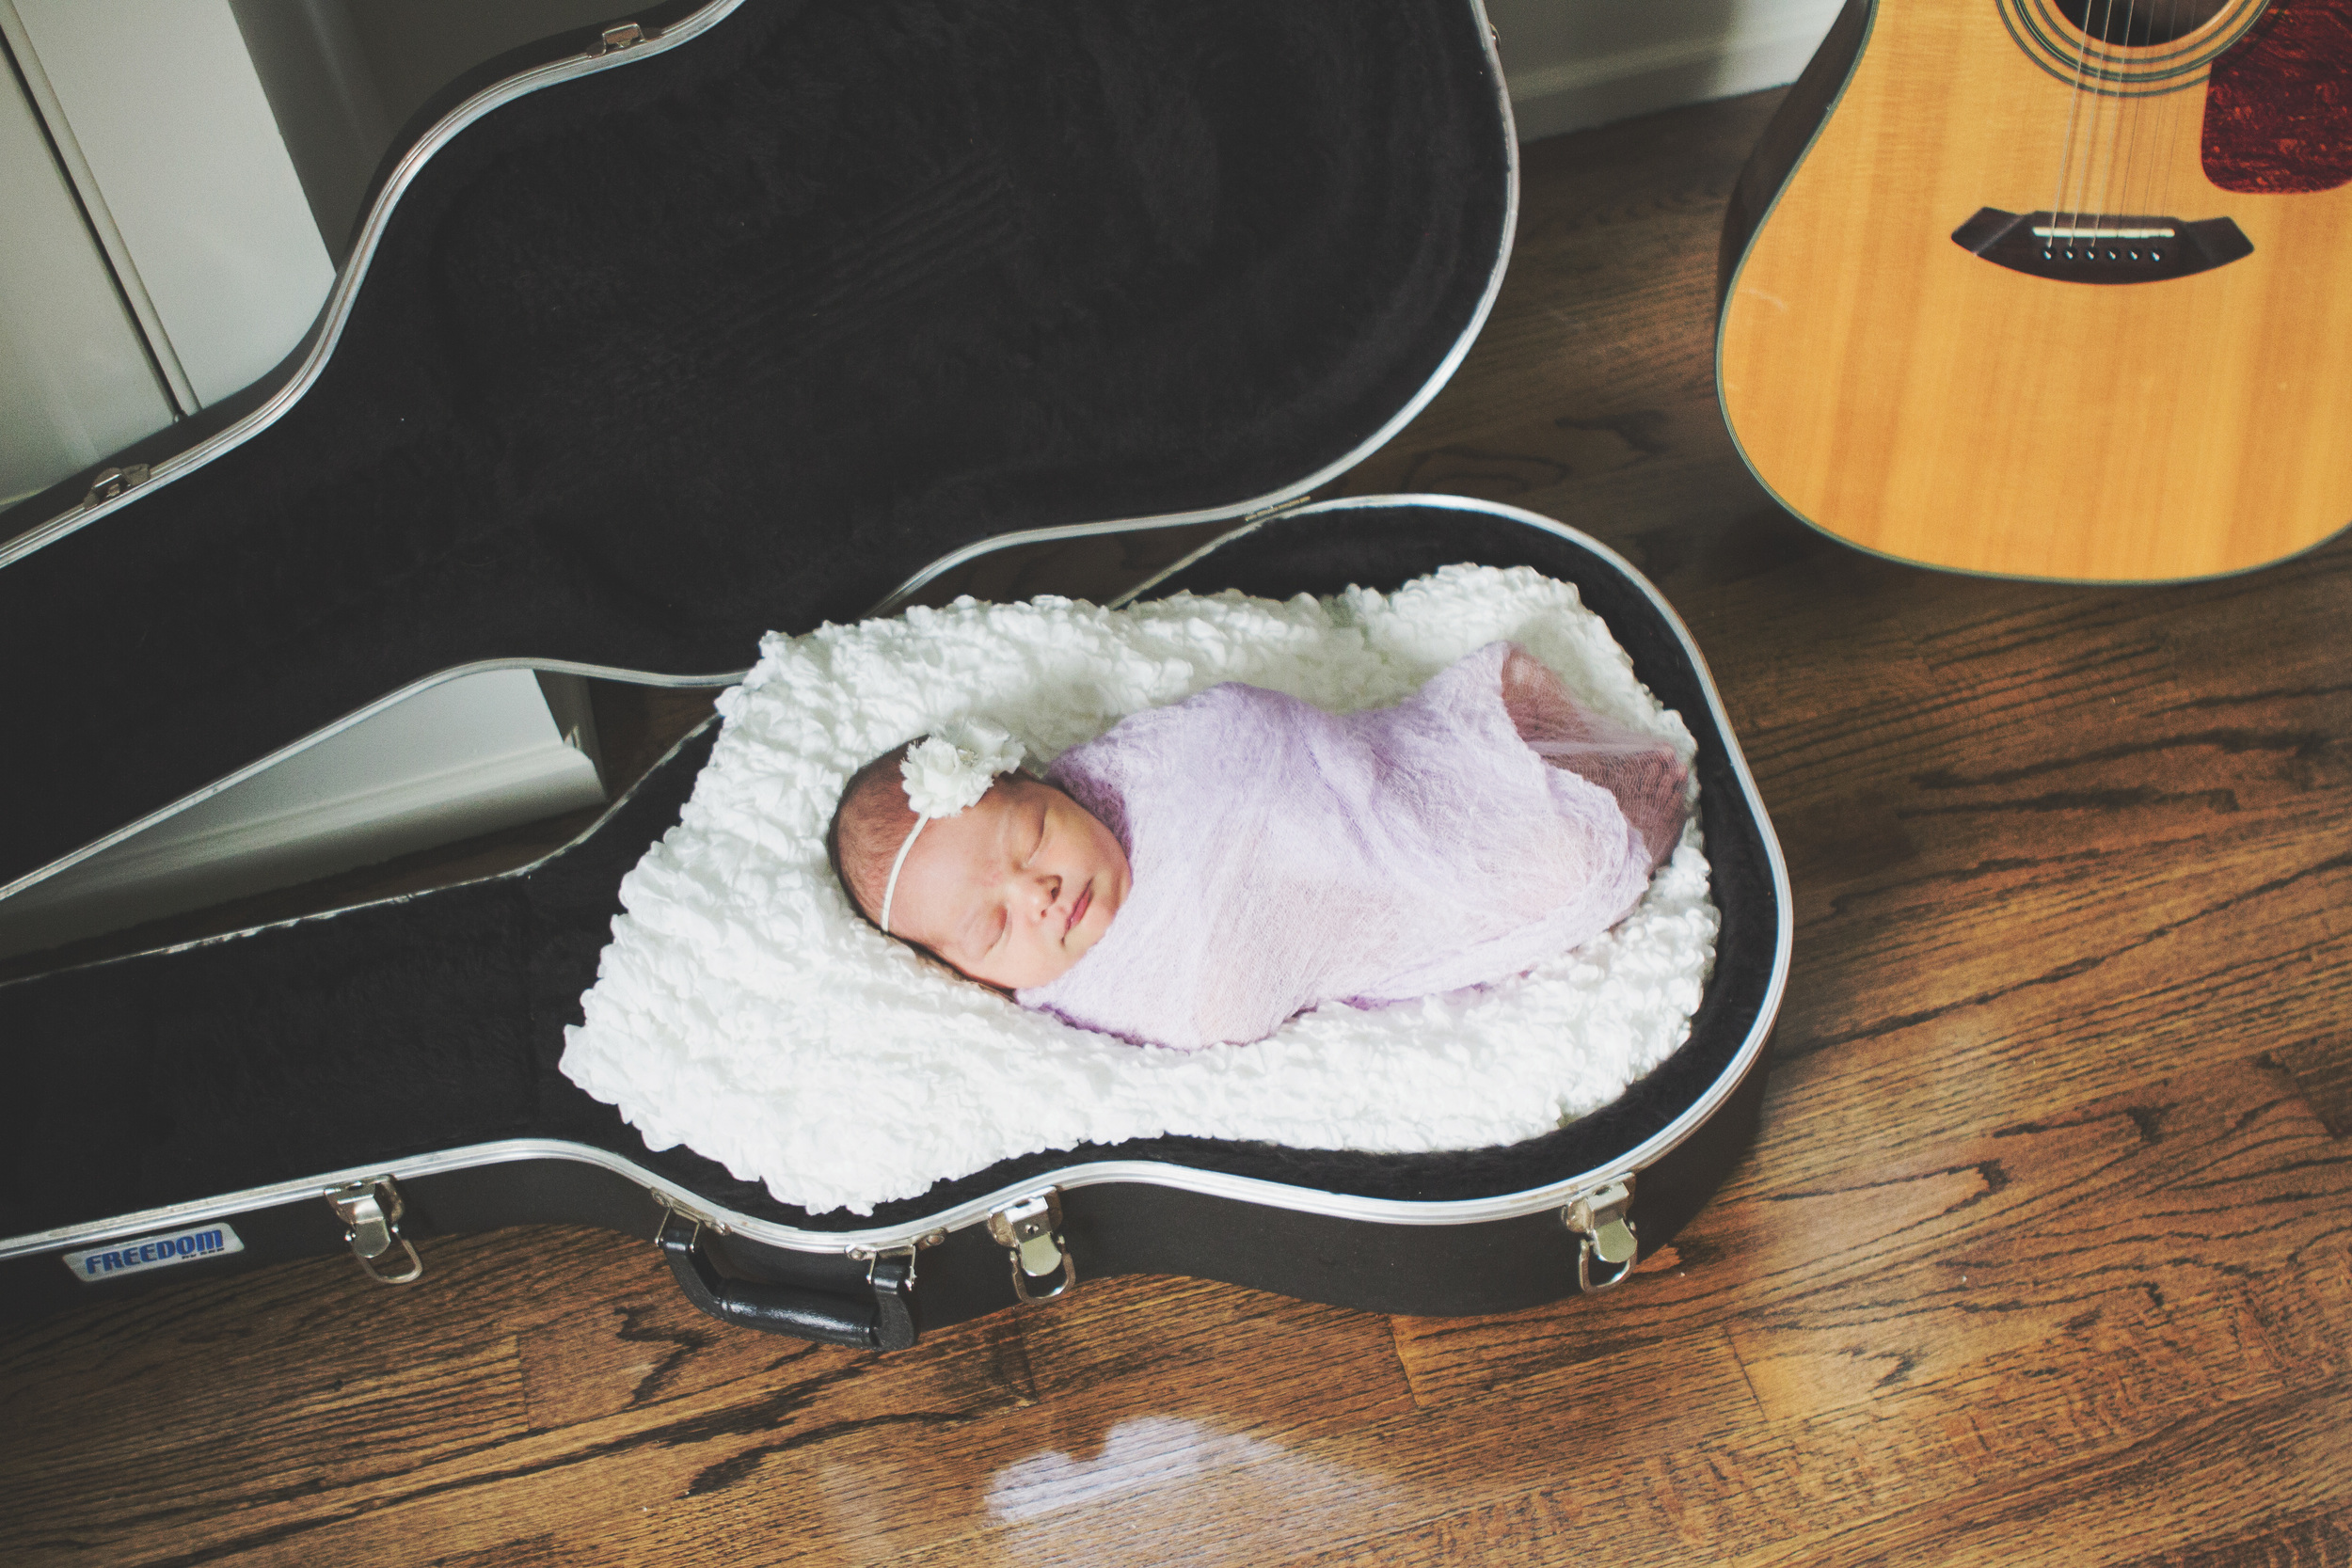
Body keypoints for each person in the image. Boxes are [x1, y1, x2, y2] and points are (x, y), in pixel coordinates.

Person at [827, 641, 1689, 1050]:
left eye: (1033, 835)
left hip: (1367, 794)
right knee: (1560, 860)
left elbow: (1244, 733)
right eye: (994, 928)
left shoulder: (1131, 771)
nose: (1040, 892)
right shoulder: (1084, 1006)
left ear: (1048, 783)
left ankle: (1516, 778)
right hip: (1353, 910)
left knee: (1492, 802)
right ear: (970, 976)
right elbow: (1214, 999)